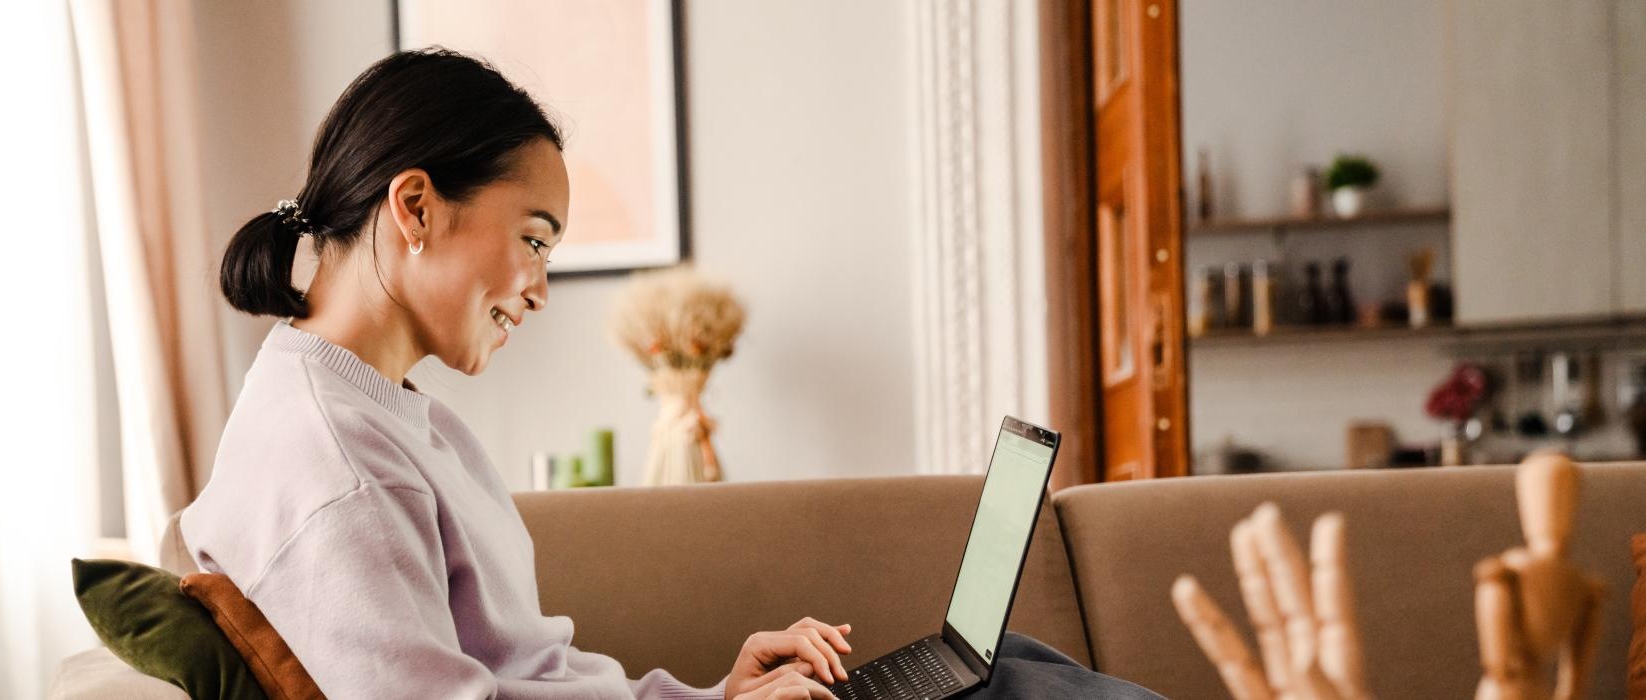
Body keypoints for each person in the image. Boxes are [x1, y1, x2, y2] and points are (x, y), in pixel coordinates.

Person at [184, 47, 1161, 700]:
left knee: (1010, 667)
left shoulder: (386, 414)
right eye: (535, 239)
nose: (539, 288)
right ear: (415, 207)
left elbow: (529, 675)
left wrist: (715, 696)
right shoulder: (332, 463)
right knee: (1014, 688)